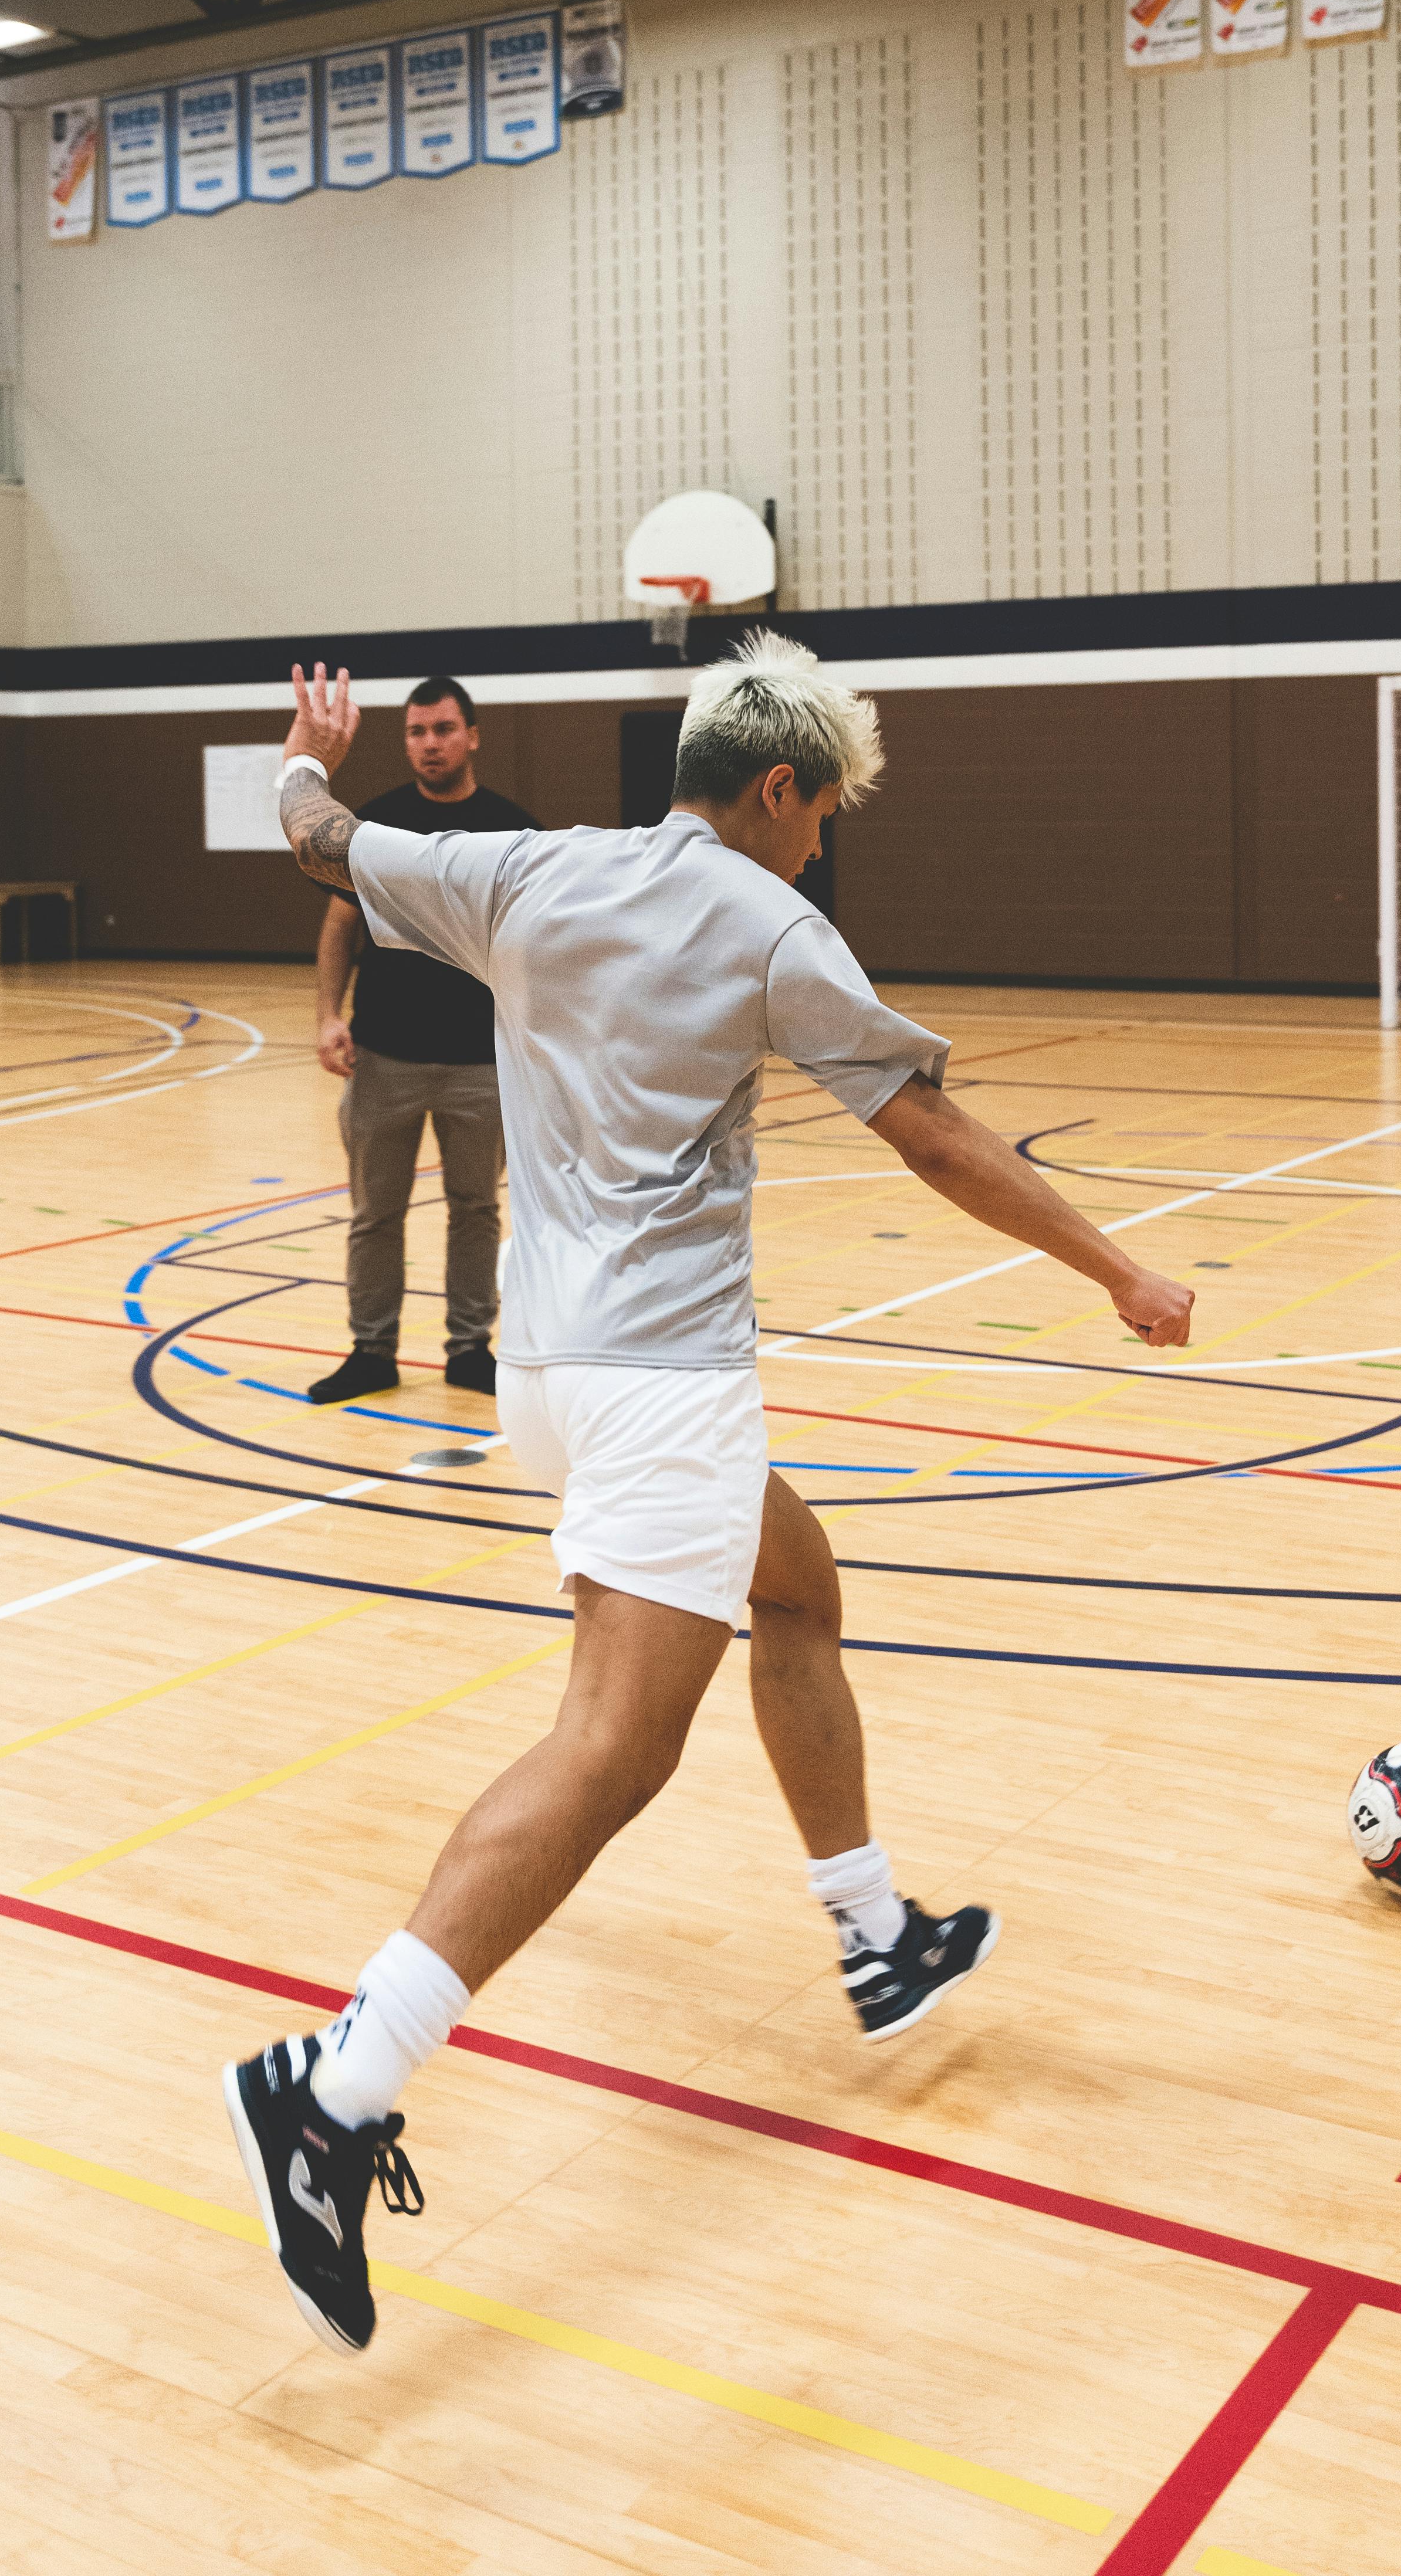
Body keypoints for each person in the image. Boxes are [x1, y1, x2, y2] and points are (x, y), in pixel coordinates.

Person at [225, 631, 1196, 2356]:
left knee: (798, 1587)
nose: (819, 842)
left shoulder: (521, 868)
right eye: (820, 810)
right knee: (613, 1746)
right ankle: (337, 2084)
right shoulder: (766, 919)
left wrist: (312, 749)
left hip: (547, 1366)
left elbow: (312, 834)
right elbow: (939, 1136)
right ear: (773, 785)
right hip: (661, 1382)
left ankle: (877, 1930)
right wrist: (1117, 1269)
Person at [309, 676, 534, 1405]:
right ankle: (372, 1349)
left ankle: (470, 1348)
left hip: (481, 1062)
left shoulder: (512, 830)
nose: (429, 743)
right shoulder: (374, 829)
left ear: (471, 735)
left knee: (477, 1210)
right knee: (376, 1212)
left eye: (442, 729)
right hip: (384, 1057)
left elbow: (533, 943)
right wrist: (327, 1016)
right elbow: (341, 926)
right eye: (415, 732)